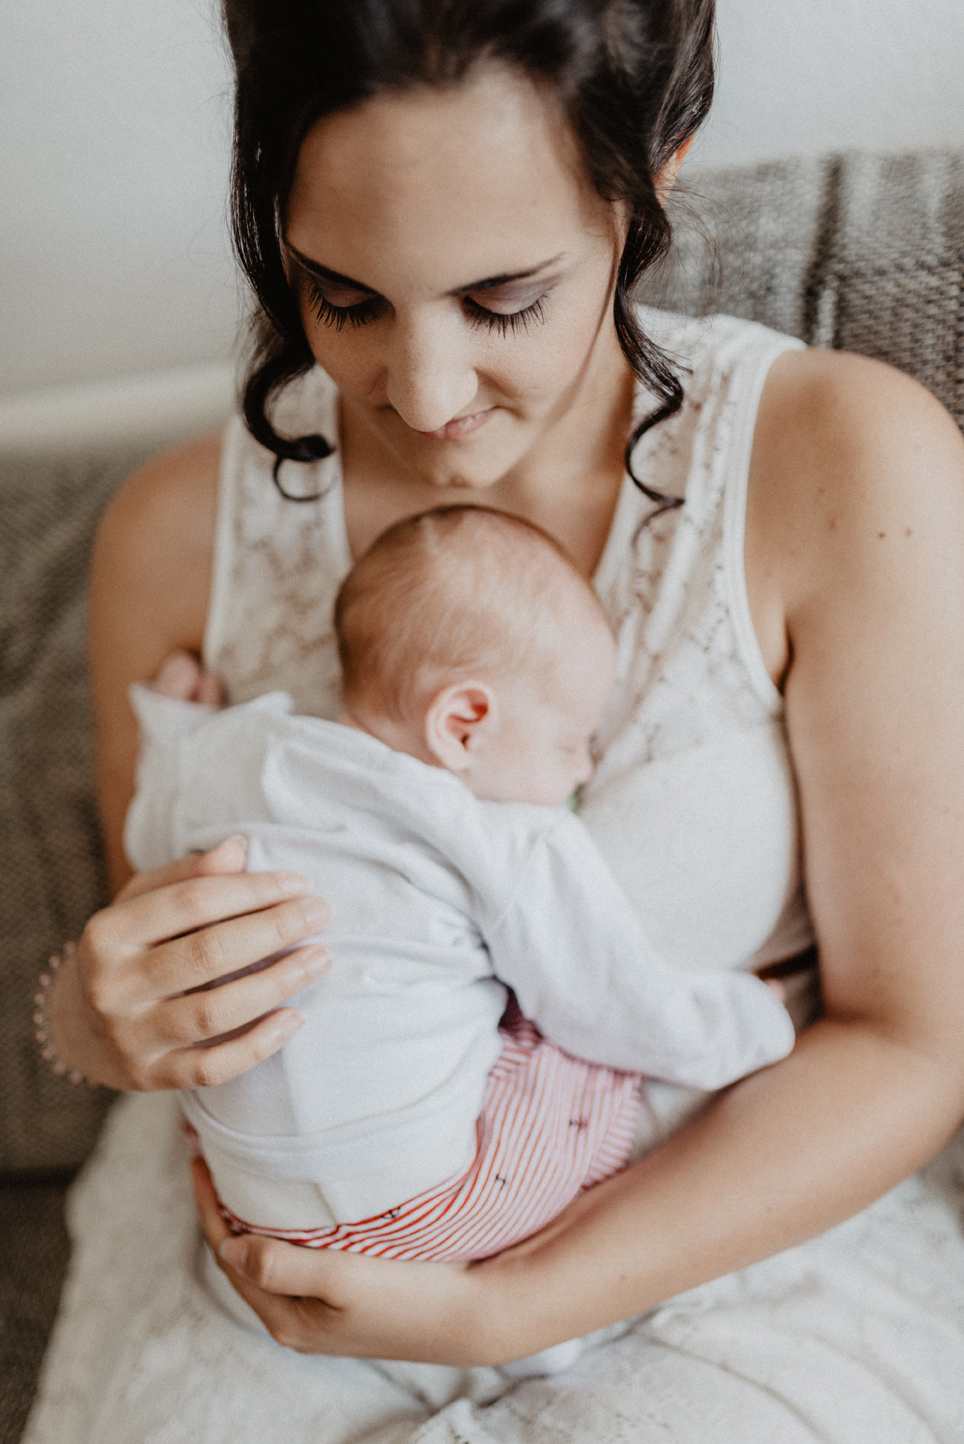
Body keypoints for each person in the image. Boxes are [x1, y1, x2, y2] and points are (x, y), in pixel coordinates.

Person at [28, 0, 964, 1439]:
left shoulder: (843, 468)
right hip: (278, 1278)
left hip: (718, 1264)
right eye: (341, 298)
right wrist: (100, 1016)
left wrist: (516, 1304)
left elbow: (916, 1043)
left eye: (502, 300)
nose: (426, 393)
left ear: (653, 177)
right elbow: (162, 986)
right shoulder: (171, 534)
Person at [125, 504, 792, 1286]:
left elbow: (151, 832)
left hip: (250, 1207)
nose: (581, 771)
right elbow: (612, 1000)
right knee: (576, 1053)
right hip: (435, 1213)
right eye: (571, 741)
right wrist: (754, 1023)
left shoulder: (242, 756)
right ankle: (542, 1336)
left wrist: (175, 721)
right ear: (465, 723)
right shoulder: (504, 839)